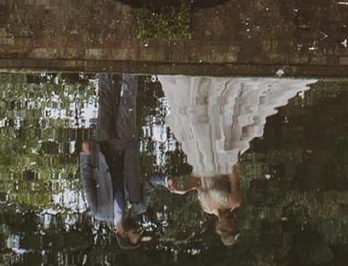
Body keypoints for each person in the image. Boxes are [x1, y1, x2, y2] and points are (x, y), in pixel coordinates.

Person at [158, 75, 317, 245]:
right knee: (218, 119)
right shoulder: (235, 201)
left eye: (229, 227)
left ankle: (202, 83)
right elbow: (234, 173)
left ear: (221, 227)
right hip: (220, 160)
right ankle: (220, 87)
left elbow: (198, 182)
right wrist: (232, 149)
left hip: (201, 161)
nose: (232, 223)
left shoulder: (206, 208)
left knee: (196, 117)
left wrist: (184, 189)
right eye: (234, 226)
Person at [80, 73, 171, 249]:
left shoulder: (99, 212)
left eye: (135, 232)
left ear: (122, 234)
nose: (138, 228)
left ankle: (104, 62)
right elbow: (150, 182)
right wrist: (166, 181)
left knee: (105, 99)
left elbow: (87, 181)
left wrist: (85, 156)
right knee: (129, 98)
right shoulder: (140, 206)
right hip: (126, 147)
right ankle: (130, 64)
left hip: (103, 149)